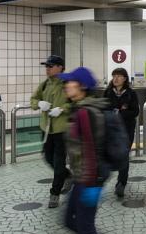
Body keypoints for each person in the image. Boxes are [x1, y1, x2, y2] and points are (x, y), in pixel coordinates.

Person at [59, 67, 107, 234]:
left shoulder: (85, 113)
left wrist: (92, 184)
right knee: (70, 221)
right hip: (80, 177)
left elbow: (92, 149)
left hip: (88, 180)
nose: (66, 85)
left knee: (83, 225)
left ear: (82, 86)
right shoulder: (79, 109)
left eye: (70, 81)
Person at [30, 55, 71, 208]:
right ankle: (68, 176)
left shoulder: (68, 83)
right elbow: (33, 100)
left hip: (62, 129)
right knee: (48, 158)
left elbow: (77, 103)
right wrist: (39, 103)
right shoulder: (45, 84)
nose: (47, 68)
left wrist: (62, 109)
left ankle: (55, 193)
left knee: (59, 162)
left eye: (51, 66)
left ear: (60, 67)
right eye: (46, 66)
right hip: (47, 129)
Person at [105, 68, 139, 197]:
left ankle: (121, 183)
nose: (115, 79)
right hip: (111, 130)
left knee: (124, 155)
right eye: (114, 76)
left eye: (119, 76)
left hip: (126, 130)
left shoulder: (131, 94)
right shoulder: (108, 93)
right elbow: (104, 108)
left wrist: (119, 112)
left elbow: (135, 112)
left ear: (125, 78)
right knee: (111, 154)